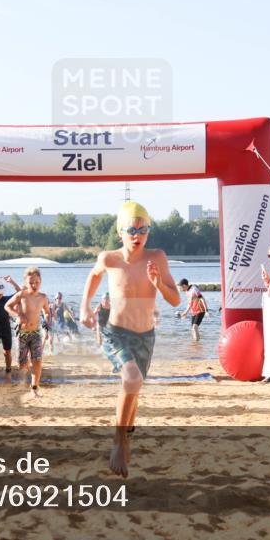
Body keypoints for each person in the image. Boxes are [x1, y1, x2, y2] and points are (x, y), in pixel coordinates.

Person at [81, 201, 181, 477]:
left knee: (133, 390)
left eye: (143, 230)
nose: (137, 236)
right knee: (132, 380)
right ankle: (118, 441)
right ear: (120, 232)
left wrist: (159, 283)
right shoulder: (109, 258)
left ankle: (126, 436)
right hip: (116, 334)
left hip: (145, 336)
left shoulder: (157, 257)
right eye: (131, 230)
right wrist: (84, 307)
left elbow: (175, 300)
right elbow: (93, 276)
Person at [5, 267, 52, 396]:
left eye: (37, 282)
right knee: (22, 365)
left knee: (37, 360)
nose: (34, 285)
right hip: (22, 333)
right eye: (31, 282)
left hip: (36, 332)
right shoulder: (22, 295)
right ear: (26, 282)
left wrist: (47, 320)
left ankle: (35, 387)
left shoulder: (43, 297)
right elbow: (7, 306)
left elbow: (47, 312)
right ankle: (26, 363)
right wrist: (18, 315)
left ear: (40, 281)